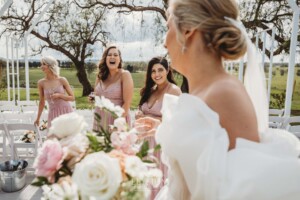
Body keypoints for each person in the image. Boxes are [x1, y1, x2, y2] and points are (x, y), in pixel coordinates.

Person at [135, 0, 300, 199]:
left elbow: (242, 188)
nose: (164, 42)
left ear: (187, 30)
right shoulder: (203, 91)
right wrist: (162, 128)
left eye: (168, 27)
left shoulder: (225, 94)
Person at [136, 56, 181, 199]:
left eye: (160, 70)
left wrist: (152, 119)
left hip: (160, 143)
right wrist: (139, 113)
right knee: (142, 182)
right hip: (143, 143)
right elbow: (142, 108)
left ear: (167, 70)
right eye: (153, 71)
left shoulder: (174, 91)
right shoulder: (150, 90)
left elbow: (177, 121)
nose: (157, 74)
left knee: (157, 182)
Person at [92, 45, 133, 131]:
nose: (112, 57)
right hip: (100, 119)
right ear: (105, 58)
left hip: (118, 120)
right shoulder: (100, 76)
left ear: (119, 59)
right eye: (109, 55)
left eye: (115, 55)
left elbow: (127, 103)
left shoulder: (125, 75)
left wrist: (116, 125)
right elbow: (96, 97)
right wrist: (92, 98)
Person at [34, 56, 74, 130]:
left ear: (50, 66)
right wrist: (38, 118)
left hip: (66, 110)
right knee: (54, 137)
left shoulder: (62, 80)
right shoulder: (41, 83)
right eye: (41, 64)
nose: (41, 66)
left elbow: (72, 98)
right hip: (53, 113)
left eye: (43, 64)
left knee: (68, 138)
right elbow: (42, 102)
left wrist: (59, 95)